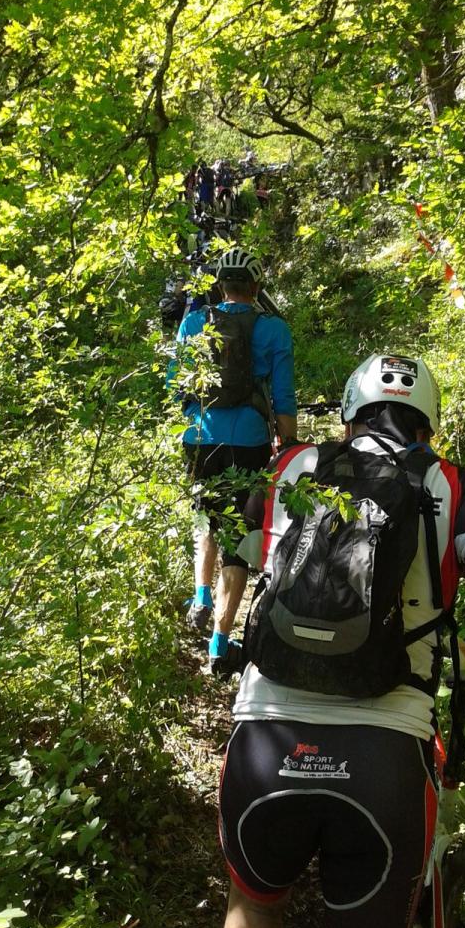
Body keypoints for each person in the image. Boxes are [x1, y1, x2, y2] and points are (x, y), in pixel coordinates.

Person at [218, 353, 465, 928]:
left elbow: (242, 549)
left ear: (348, 416)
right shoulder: (452, 486)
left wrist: (226, 626)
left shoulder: (294, 464)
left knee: (255, 908)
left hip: (266, 739)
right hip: (385, 754)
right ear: (429, 426)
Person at [174, 248, 297, 662]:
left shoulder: (194, 322)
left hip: (199, 435)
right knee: (238, 535)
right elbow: (284, 397)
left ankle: (201, 595)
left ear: (220, 285)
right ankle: (219, 644)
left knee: (205, 511)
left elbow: (176, 383)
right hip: (249, 440)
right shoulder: (274, 329)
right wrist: (289, 446)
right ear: (256, 287)